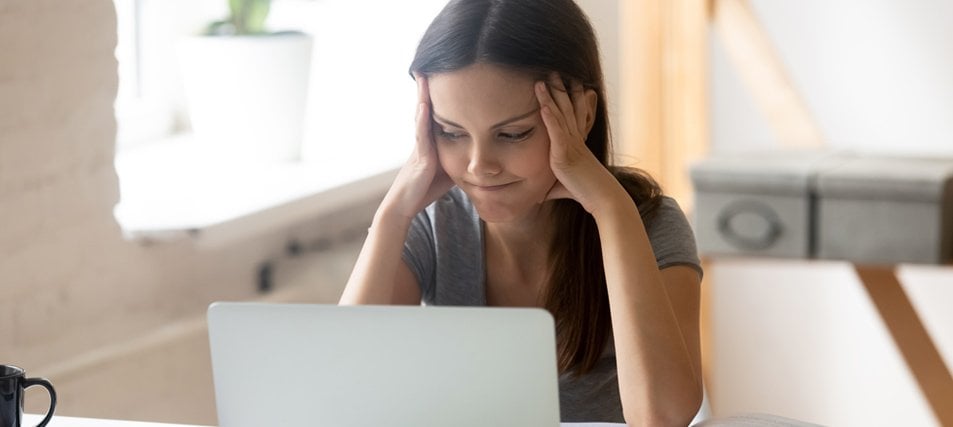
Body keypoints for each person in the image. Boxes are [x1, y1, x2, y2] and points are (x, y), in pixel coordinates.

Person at [339, 0, 703, 424]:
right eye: (451, 132)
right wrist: (392, 215)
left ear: (583, 114)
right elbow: (343, 395)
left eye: (513, 133)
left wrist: (610, 209)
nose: (479, 164)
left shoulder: (648, 224)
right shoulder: (434, 225)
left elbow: (662, 417)